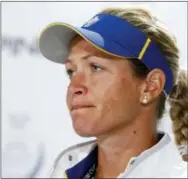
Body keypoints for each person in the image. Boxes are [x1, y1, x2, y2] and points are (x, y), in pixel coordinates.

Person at [39, 5, 188, 178]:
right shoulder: (65, 171)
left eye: (95, 67)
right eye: (71, 71)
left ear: (151, 86)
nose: (74, 87)